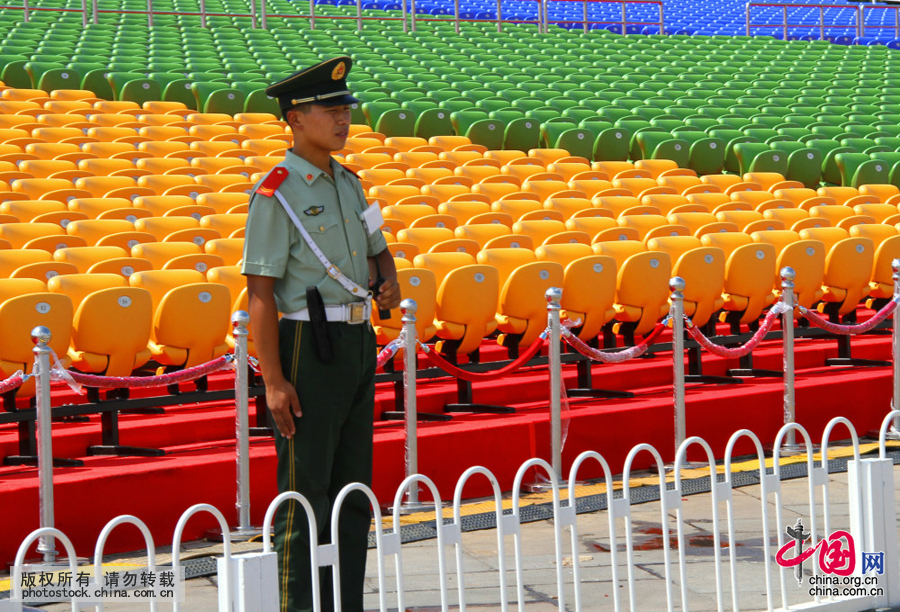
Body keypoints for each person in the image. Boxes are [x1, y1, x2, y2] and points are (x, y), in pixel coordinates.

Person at [241, 56, 401, 612]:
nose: (342, 118)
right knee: (304, 494)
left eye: (345, 109)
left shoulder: (351, 184)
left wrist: (389, 284)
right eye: (329, 109)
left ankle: (344, 602)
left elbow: (381, 253)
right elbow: (260, 294)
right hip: (308, 345)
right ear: (294, 117)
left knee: (353, 489)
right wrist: (275, 380)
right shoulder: (276, 192)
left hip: (358, 342)